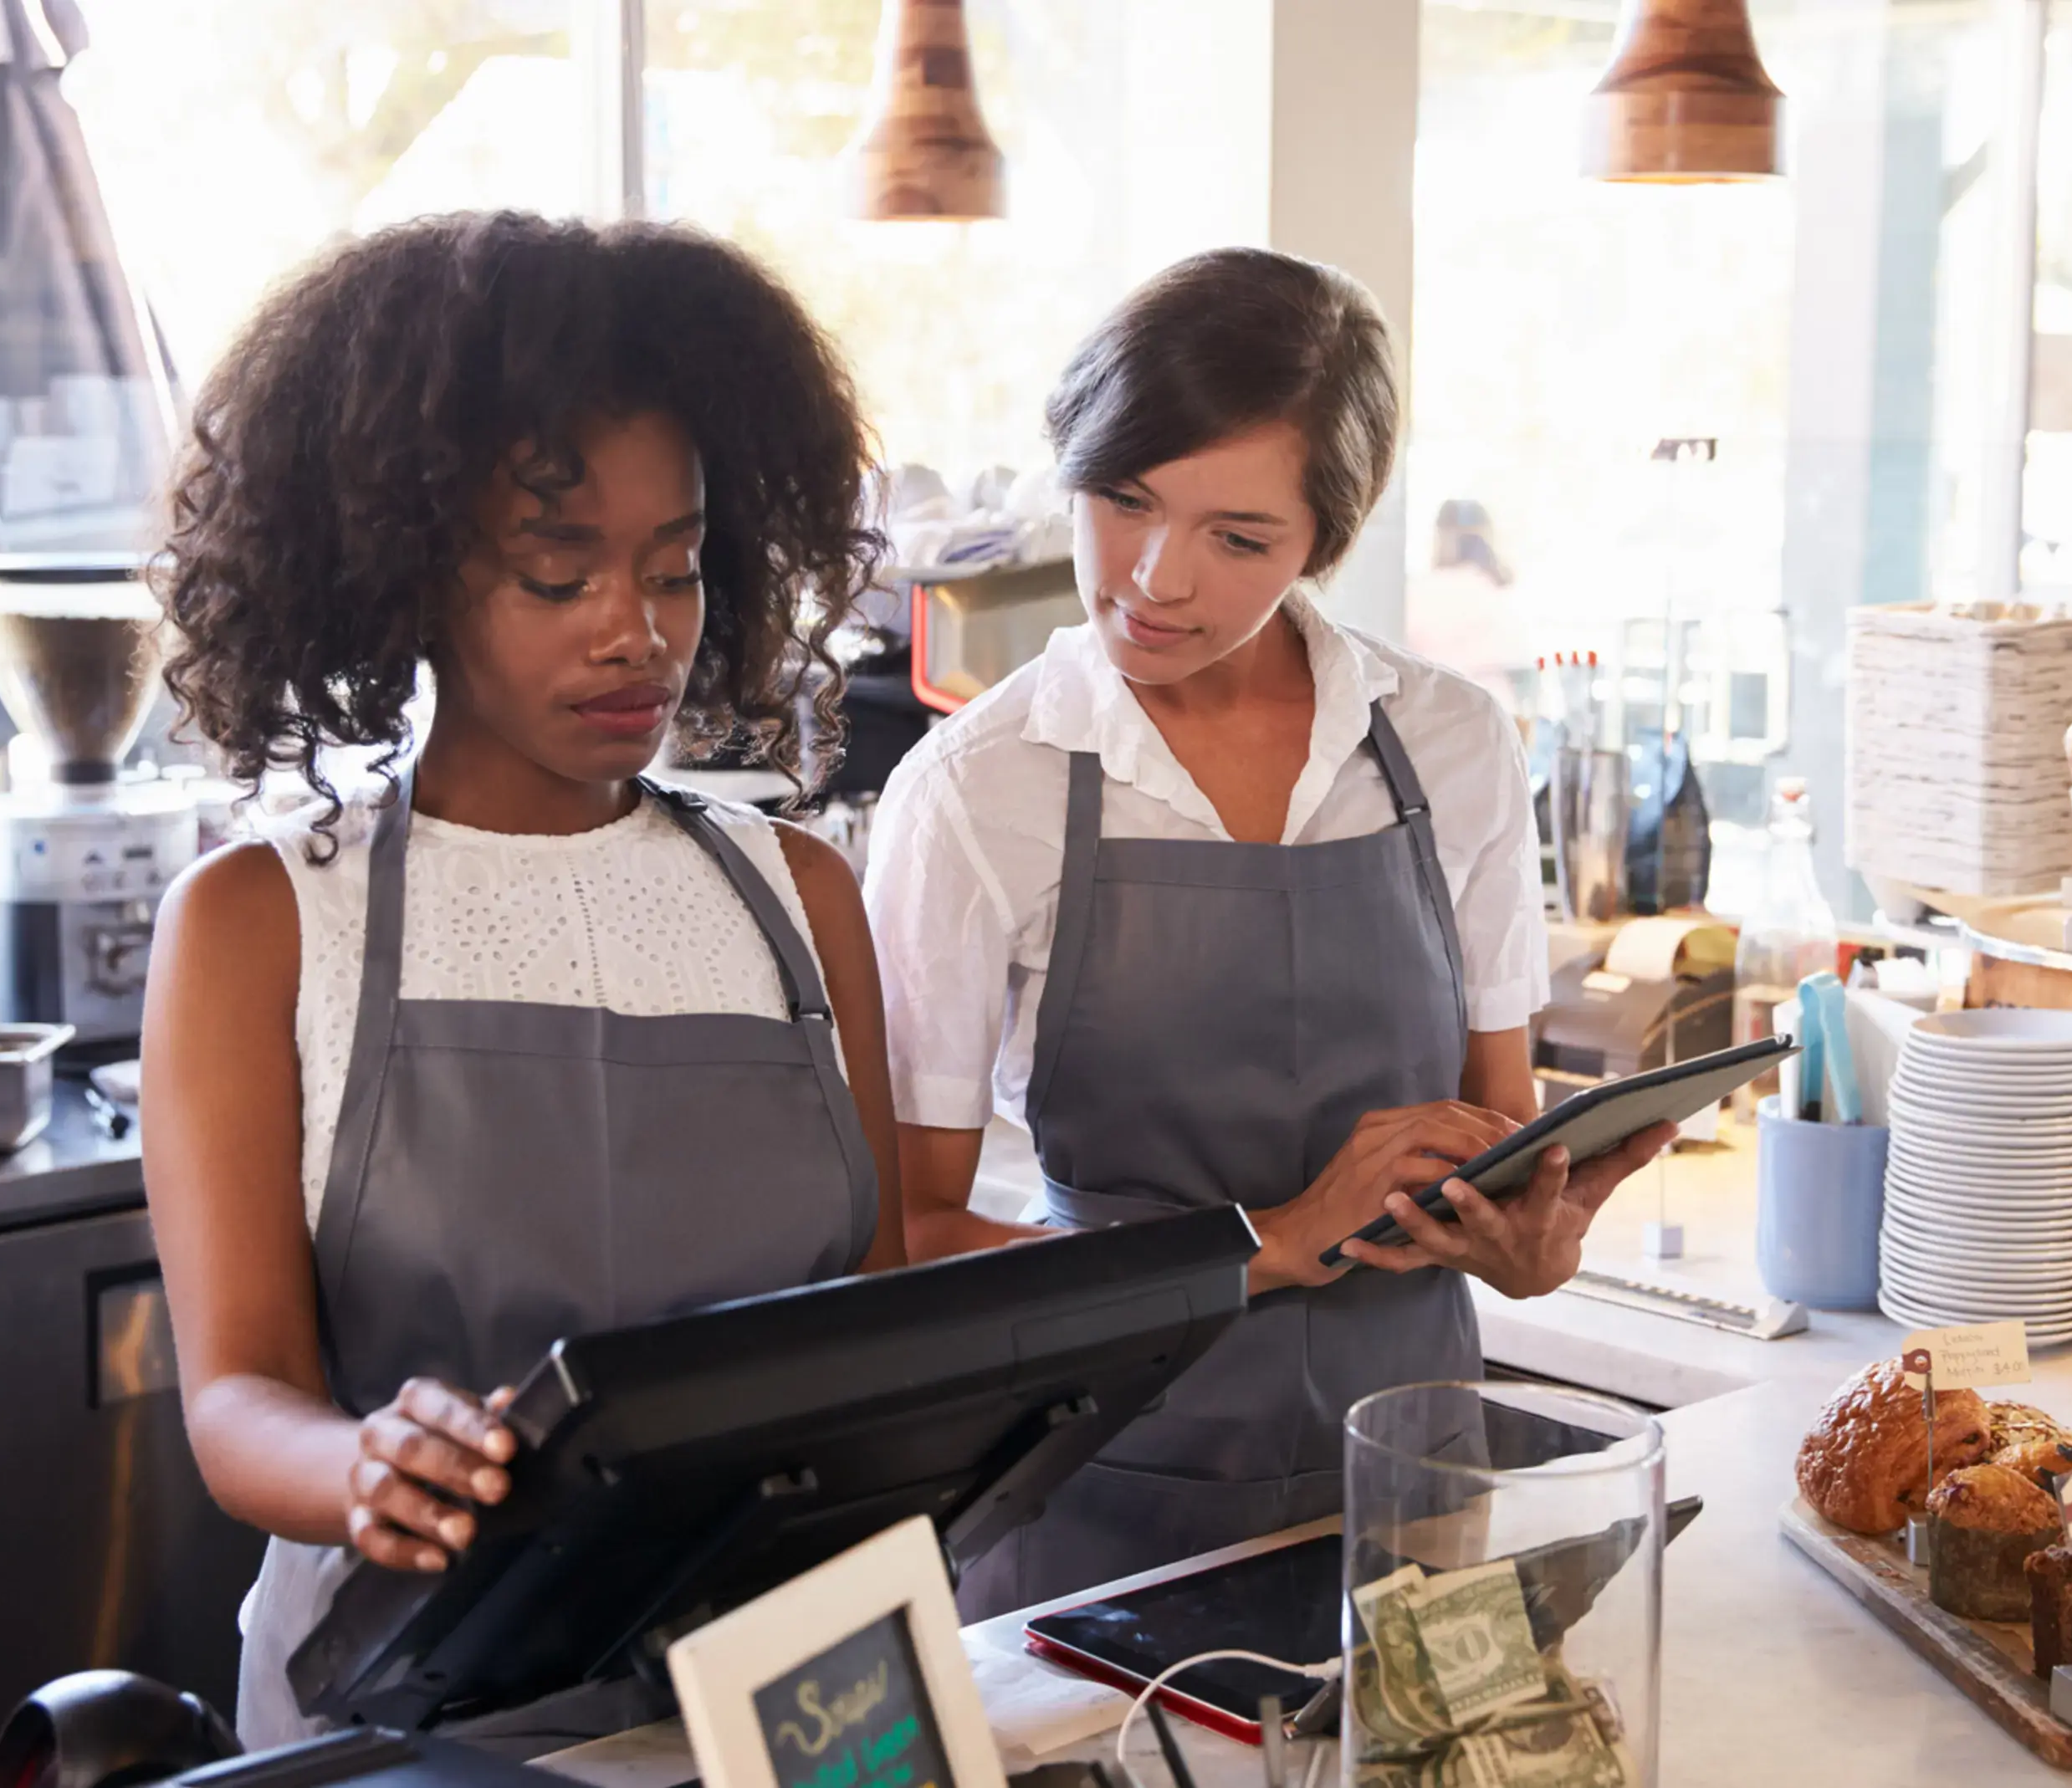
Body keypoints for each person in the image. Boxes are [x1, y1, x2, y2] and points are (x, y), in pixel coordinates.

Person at [137, 212, 905, 1752]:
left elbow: (877, 1337)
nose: (640, 634)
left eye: (677, 570)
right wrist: (362, 1464)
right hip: (406, 1701)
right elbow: (237, 1400)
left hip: (783, 1693)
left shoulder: (799, 898)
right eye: (559, 575)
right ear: (411, 575)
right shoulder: (261, 920)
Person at [863, 248, 1670, 1616]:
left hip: (1418, 1474)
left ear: (1325, 545)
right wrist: (1268, 1238)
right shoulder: (975, 791)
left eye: (1239, 538)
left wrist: (1533, 1241)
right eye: (1124, 499)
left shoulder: (1452, 744)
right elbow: (906, 1239)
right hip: (1099, 1484)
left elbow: (1500, 1128)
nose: (1153, 580)